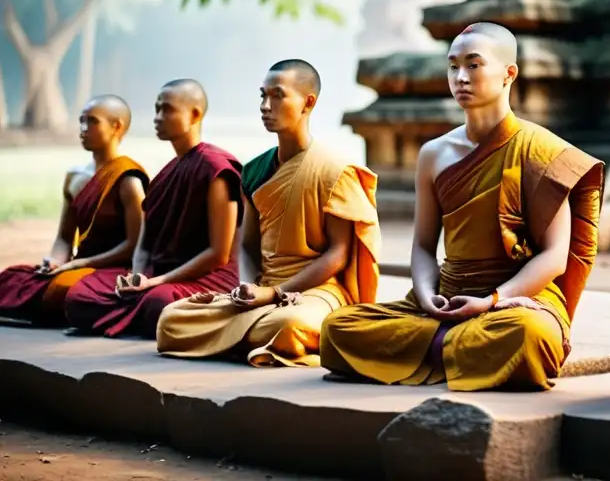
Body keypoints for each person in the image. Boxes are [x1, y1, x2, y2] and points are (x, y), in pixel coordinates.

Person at [320, 22, 604, 392]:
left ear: (509, 74)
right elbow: (423, 246)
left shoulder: (543, 151)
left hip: (514, 302)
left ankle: (430, 349)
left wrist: (491, 301)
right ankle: (459, 349)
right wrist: (425, 295)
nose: (460, 77)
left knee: (530, 336)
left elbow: (554, 258)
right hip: (447, 298)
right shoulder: (434, 154)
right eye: (453, 66)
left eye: (473, 65)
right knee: (338, 328)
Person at [155, 60, 381, 367]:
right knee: (171, 318)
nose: (265, 105)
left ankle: (241, 339)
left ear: (308, 102)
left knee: (289, 324)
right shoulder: (254, 170)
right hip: (263, 288)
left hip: (315, 293)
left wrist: (275, 293)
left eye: (277, 96)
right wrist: (246, 288)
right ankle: (257, 339)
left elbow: (338, 254)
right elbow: (246, 245)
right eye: (262, 96)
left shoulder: (336, 170)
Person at [64, 80, 243, 338]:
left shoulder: (215, 169)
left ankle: (147, 312)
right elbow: (145, 245)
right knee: (79, 296)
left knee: (157, 303)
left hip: (207, 278)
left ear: (194, 114)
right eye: (156, 109)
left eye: (167, 110)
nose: (157, 117)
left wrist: (156, 282)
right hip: (160, 275)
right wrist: (136, 278)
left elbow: (218, 254)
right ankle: (145, 312)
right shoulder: (164, 176)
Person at [0, 96, 148, 325]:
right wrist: (55, 261)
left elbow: (134, 245)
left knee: (64, 288)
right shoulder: (75, 176)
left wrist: (79, 264)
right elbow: (64, 237)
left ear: (116, 126)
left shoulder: (128, 180)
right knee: (9, 278)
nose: (82, 129)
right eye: (81, 121)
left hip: (112, 268)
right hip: (76, 266)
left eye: (92, 122)